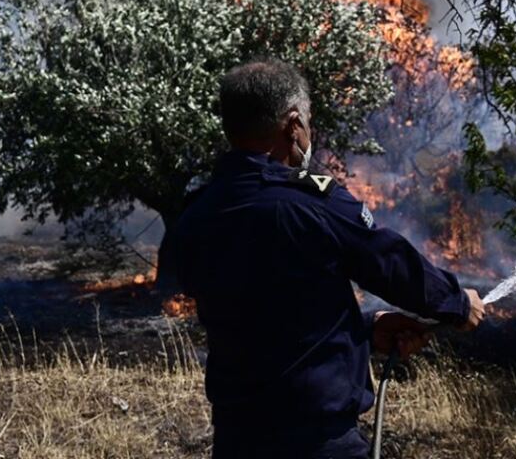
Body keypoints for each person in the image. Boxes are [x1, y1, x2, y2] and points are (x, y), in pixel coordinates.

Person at [171, 58, 485, 459]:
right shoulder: (311, 201)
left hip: (235, 439)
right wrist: (457, 303)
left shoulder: (196, 214)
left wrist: (366, 330)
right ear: (293, 125)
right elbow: (388, 261)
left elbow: (264, 312)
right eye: (309, 121)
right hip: (315, 441)